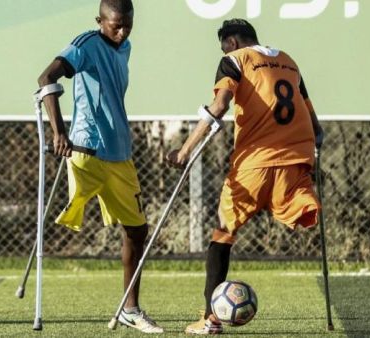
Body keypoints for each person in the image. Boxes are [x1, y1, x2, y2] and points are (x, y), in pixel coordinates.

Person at [166, 19, 324, 335]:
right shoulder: (289, 62)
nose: (223, 51)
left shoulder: (234, 60)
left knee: (222, 233)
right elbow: (313, 122)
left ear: (233, 42)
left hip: (255, 164)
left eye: (224, 45)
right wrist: (313, 152)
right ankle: (306, 202)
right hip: (296, 162)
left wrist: (183, 151)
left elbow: (220, 105)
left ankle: (210, 320)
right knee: (296, 205)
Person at [36, 0, 163, 334]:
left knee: (137, 230)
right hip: (86, 150)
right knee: (66, 218)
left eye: (127, 25)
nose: (121, 32)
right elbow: (46, 77)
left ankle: (130, 310)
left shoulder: (127, 47)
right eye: (115, 25)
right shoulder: (86, 44)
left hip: (120, 154)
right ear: (100, 20)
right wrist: (58, 130)